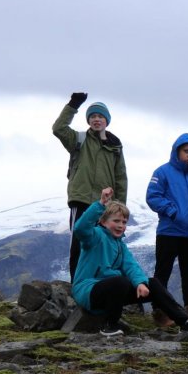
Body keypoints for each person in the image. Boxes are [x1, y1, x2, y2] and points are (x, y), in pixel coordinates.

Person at [72, 188, 188, 337]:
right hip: (89, 290)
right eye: (116, 221)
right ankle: (109, 325)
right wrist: (100, 204)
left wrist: (140, 283)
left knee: (153, 283)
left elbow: (132, 266)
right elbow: (80, 228)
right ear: (103, 222)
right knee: (120, 282)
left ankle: (185, 322)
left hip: (113, 291)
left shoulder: (121, 246)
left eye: (124, 222)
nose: (121, 225)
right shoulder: (94, 237)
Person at [54, 93, 127, 280]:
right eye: (93, 116)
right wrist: (73, 105)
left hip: (105, 205)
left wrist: (120, 209)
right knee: (78, 244)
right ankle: (77, 285)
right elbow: (58, 128)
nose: (96, 119)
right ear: (88, 120)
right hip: (81, 198)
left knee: (103, 245)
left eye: (100, 116)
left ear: (106, 121)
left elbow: (120, 178)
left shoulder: (115, 146)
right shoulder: (78, 139)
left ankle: (99, 284)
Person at [145, 133, 188, 326]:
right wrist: (172, 212)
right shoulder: (162, 172)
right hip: (169, 231)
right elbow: (153, 196)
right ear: (177, 151)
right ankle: (160, 312)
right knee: (162, 272)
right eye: (186, 151)